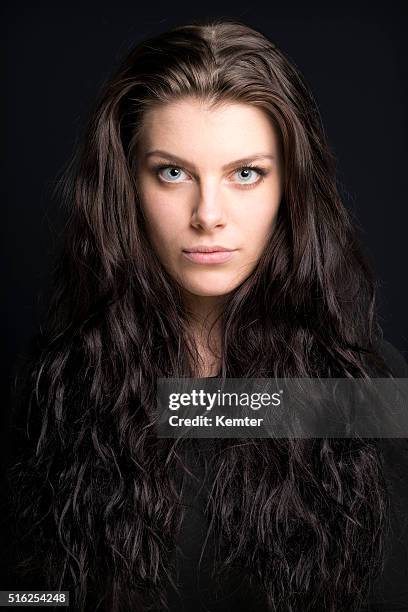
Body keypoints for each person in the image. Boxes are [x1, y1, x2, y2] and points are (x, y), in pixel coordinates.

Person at [5, 16, 408, 612]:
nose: (207, 215)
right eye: (173, 173)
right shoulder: (54, 386)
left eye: (246, 174)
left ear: (289, 188)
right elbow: (25, 596)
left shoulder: (366, 389)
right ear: (127, 185)